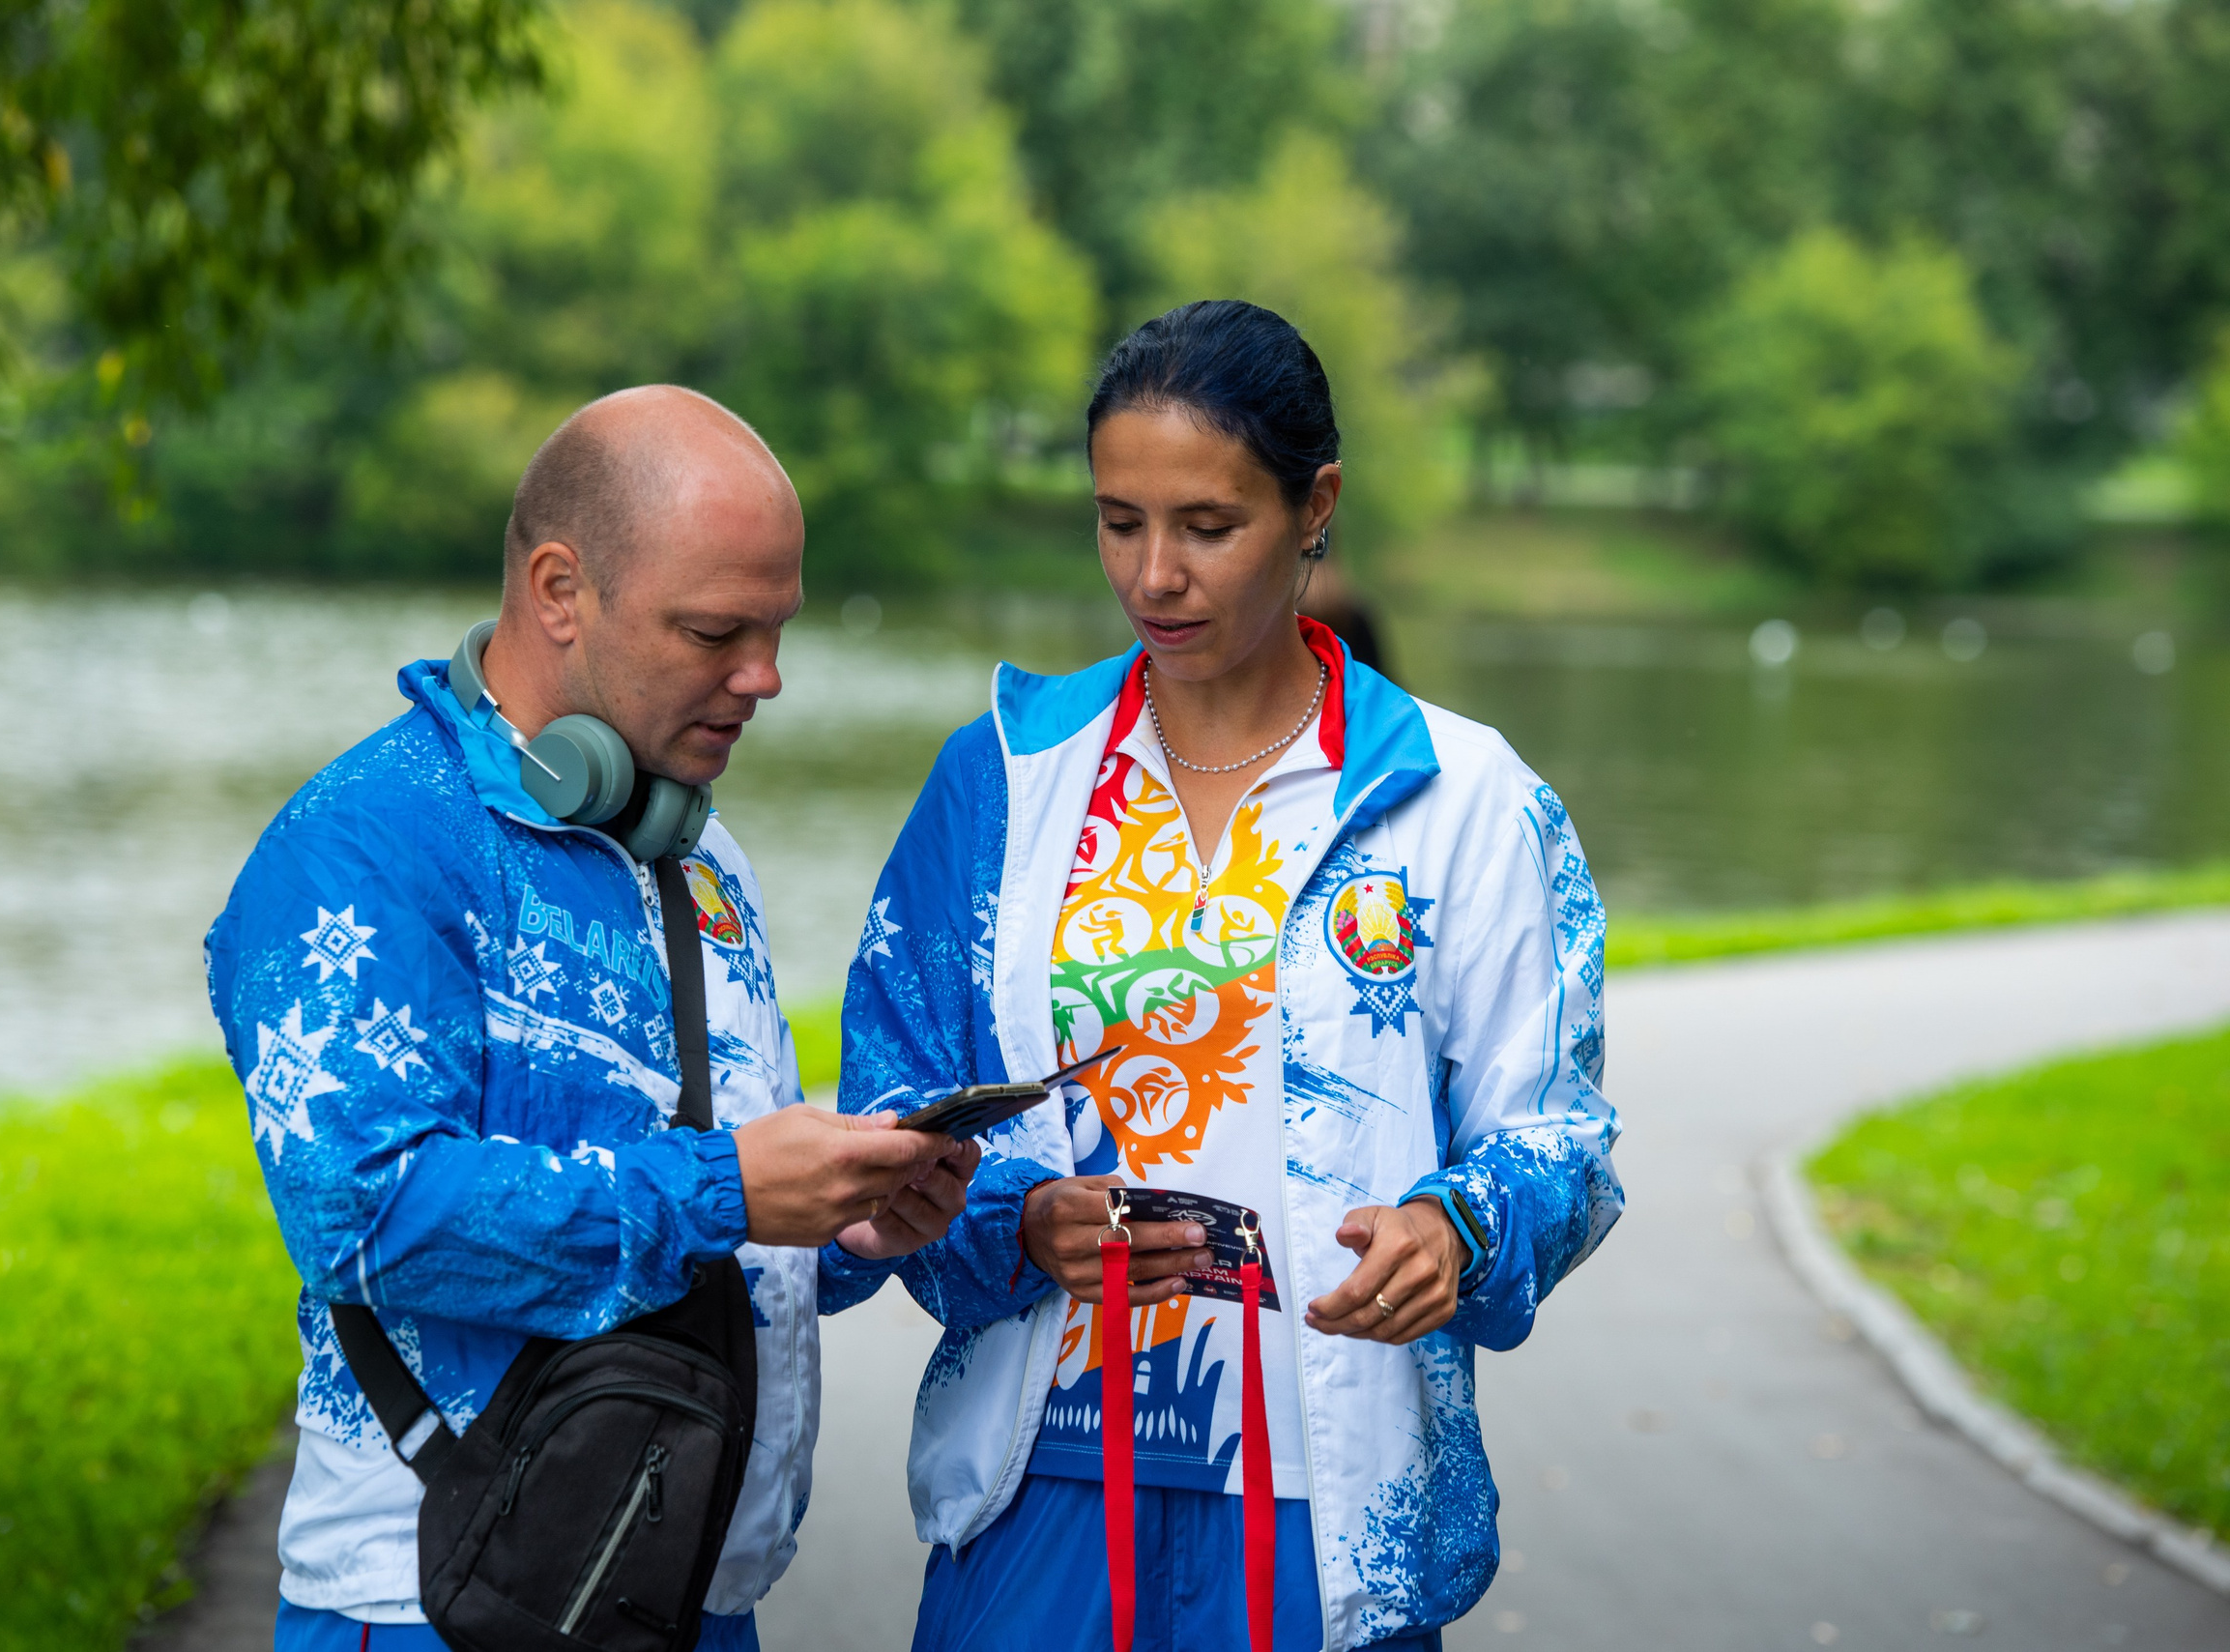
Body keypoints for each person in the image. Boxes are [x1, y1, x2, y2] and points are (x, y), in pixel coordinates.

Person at [832, 302, 1623, 1652]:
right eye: (1117, 519)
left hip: (1331, 1500)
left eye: (1207, 526)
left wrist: (1462, 1227)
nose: (1154, 576)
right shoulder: (1005, 780)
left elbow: (1565, 1138)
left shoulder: (1464, 798)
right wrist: (1015, 1222)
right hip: (1040, 1491)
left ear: (1316, 506)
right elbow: (888, 1101)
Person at [206, 386, 978, 1651]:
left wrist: (837, 1219)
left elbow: (697, 1221)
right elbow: (366, 1215)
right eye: (716, 630)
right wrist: (731, 1188)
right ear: (559, 590)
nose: (765, 677)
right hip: (442, 1606)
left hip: (680, 1597)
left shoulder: (697, 845)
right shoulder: (367, 846)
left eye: (778, 630)